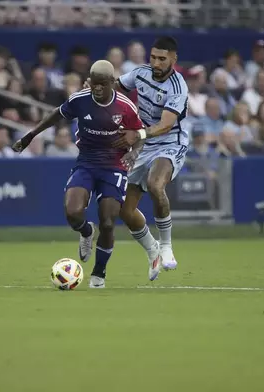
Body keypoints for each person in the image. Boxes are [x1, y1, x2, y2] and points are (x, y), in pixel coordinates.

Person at [12, 60, 144, 289]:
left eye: (103, 84)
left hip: (114, 165)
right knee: (72, 212)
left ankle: (98, 275)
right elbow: (56, 115)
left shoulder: (125, 106)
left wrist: (135, 151)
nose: (98, 88)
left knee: (109, 221)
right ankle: (86, 231)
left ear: (112, 83)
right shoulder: (79, 99)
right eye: (94, 83)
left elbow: (140, 132)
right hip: (86, 162)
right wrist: (30, 135)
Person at [90, 36, 189, 281]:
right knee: (124, 209)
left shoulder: (178, 87)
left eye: (162, 59)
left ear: (173, 59)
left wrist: (138, 133)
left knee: (156, 185)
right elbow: (115, 90)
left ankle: (166, 246)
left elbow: (166, 125)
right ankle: (152, 249)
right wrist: (95, 89)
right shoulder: (139, 74)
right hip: (142, 145)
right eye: (153, 57)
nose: (156, 63)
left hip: (169, 142)